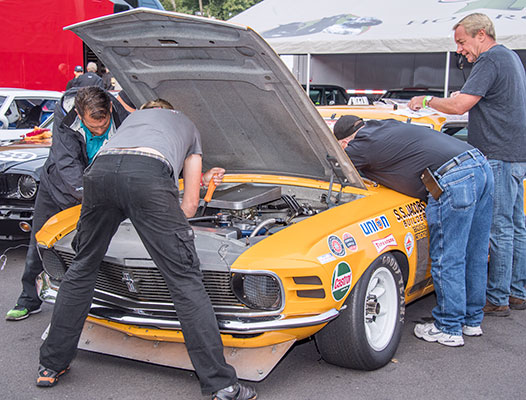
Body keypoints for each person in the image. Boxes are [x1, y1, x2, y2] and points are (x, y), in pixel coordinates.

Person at [36, 99, 257, 400]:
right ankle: (222, 385)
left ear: (144, 111)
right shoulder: (188, 126)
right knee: (184, 280)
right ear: (170, 112)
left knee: (82, 267)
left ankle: (50, 365)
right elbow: (190, 207)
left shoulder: (129, 125)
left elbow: (125, 172)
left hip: (99, 173)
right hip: (147, 177)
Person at [335, 115, 494, 347]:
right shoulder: (386, 125)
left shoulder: (360, 146)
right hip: (480, 164)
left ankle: (449, 327)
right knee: (475, 252)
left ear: (344, 143)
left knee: (448, 256)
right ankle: (471, 321)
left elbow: (332, 169)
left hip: (453, 178)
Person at [408, 13, 526, 316]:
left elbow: (460, 107)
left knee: (498, 228)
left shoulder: (488, 61)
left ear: (481, 35)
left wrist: (426, 100)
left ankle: (497, 298)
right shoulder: (510, 57)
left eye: (462, 42)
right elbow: (489, 99)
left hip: (497, 154)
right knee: (515, 226)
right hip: (516, 154)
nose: (461, 50)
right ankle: (516, 291)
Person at [5, 86, 129, 321]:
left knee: (96, 248)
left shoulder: (122, 116)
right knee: (39, 247)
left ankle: (96, 304)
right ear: (81, 116)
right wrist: (89, 196)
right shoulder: (65, 117)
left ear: (110, 108)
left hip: (101, 191)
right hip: (58, 191)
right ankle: (29, 299)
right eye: (94, 127)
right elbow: (67, 163)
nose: (101, 130)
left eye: (104, 125)